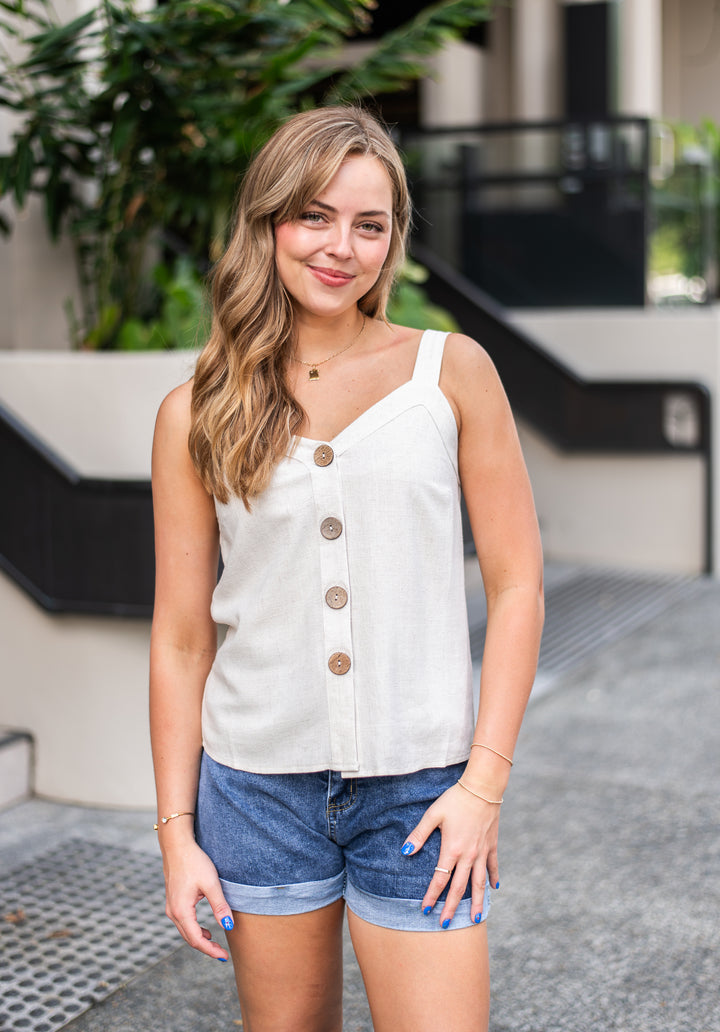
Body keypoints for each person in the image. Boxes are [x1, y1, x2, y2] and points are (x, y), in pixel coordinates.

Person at [150, 105, 544, 1032]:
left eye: (370, 225)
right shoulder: (194, 410)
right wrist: (177, 834)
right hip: (253, 789)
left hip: (423, 791)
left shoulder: (451, 374)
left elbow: (519, 582)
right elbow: (178, 636)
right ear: (269, 223)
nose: (342, 247)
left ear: (394, 240)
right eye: (315, 216)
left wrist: (482, 785)